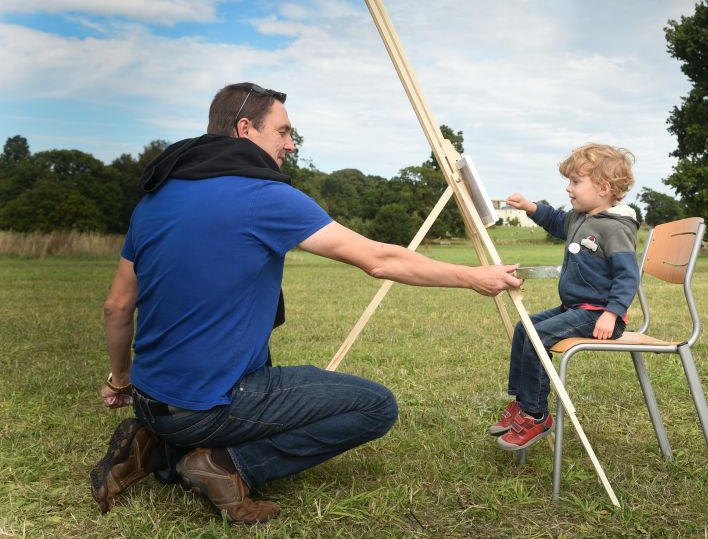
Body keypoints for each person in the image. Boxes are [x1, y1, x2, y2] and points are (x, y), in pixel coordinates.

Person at [90, 82, 522, 524]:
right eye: (282, 131)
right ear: (245, 129)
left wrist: (121, 381)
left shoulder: (154, 200)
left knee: (242, 373)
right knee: (374, 407)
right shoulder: (263, 196)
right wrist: (473, 277)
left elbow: (117, 307)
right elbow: (378, 259)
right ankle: (224, 465)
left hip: (146, 398)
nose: (290, 144)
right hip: (207, 407)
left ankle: (157, 444)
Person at [490, 143, 639, 451]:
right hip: (576, 308)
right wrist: (531, 207)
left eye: (575, 181)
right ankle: (522, 402)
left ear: (604, 187)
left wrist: (612, 313)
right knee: (525, 328)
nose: (568, 188)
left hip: (599, 315)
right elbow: (557, 221)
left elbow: (628, 276)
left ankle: (535, 415)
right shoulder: (580, 217)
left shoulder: (616, 227)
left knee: (537, 336)